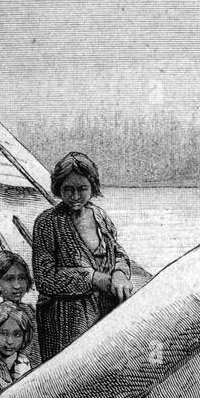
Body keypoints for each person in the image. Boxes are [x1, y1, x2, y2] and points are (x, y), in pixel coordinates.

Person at [31, 152, 135, 360]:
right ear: (58, 189)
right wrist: (93, 278)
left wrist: (120, 273)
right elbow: (44, 278)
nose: (75, 196)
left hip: (106, 315)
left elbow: (117, 251)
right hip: (66, 324)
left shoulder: (100, 216)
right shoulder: (47, 223)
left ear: (92, 187)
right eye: (68, 189)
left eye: (82, 189)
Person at [0, 249, 40, 366]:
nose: (17, 285)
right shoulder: (1, 316)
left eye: (21, 278)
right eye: (10, 279)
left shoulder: (30, 311)